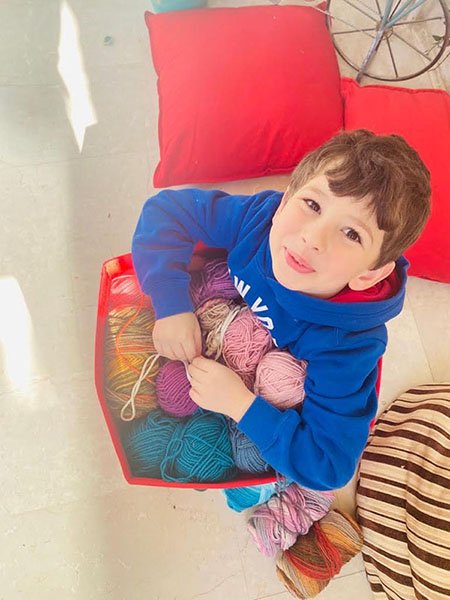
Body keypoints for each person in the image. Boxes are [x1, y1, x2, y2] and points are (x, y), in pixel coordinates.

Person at [132, 130, 431, 491]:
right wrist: (169, 304)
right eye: (313, 205)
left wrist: (242, 406)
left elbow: (330, 466)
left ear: (370, 274)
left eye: (352, 234)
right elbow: (165, 212)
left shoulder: (347, 345)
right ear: (286, 201)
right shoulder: (258, 220)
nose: (312, 238)